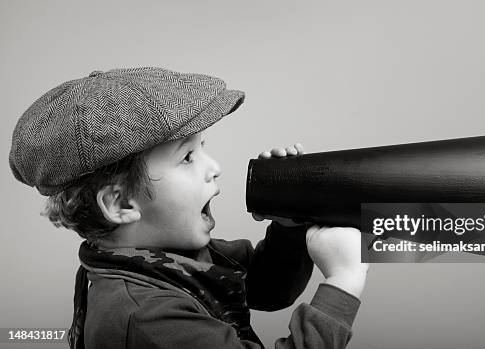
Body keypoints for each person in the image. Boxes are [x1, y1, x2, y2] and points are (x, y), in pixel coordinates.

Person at [9, 67, 368, 348]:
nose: (215, 167)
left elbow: (269, 287)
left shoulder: (166, 257)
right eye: (188, 157)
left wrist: (289, 225)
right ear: (120, 202)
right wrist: (343, 283)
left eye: (203, 146)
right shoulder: (145, 318)